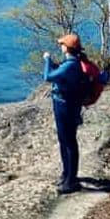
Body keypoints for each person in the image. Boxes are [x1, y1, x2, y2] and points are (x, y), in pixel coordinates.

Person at [43, 33, 85, 194]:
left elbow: (48, 77)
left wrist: (47, 60)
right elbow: (59, 74)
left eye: (62, 44)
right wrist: (53, 64)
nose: (60, 46)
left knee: (69, 142)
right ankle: (66, 174)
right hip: (64, 104)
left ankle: (71, 181)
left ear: (67, 48)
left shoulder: (71, 65)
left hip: (66, 106)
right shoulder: (70, 63)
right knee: (64, 140)